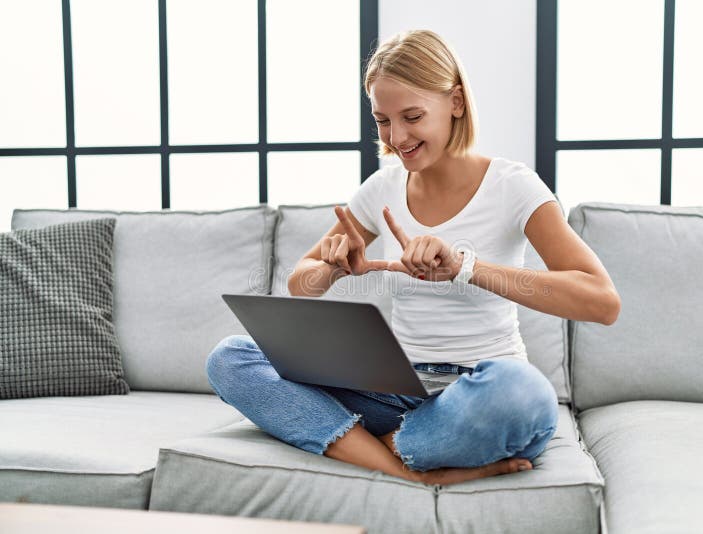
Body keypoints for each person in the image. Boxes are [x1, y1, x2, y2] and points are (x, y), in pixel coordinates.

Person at [206, 29, 621, 487]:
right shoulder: (381, 189)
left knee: (525, 397)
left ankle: (361, 445)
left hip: (477, 393)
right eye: (383, 120)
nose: (396, 137)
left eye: (412, 116)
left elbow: (601, 301)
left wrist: (464, 267)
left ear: (456, 103)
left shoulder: (512, 186)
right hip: (393, 391)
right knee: (232, 357)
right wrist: (331, 267)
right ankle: (410, 467)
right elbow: (299, 283)